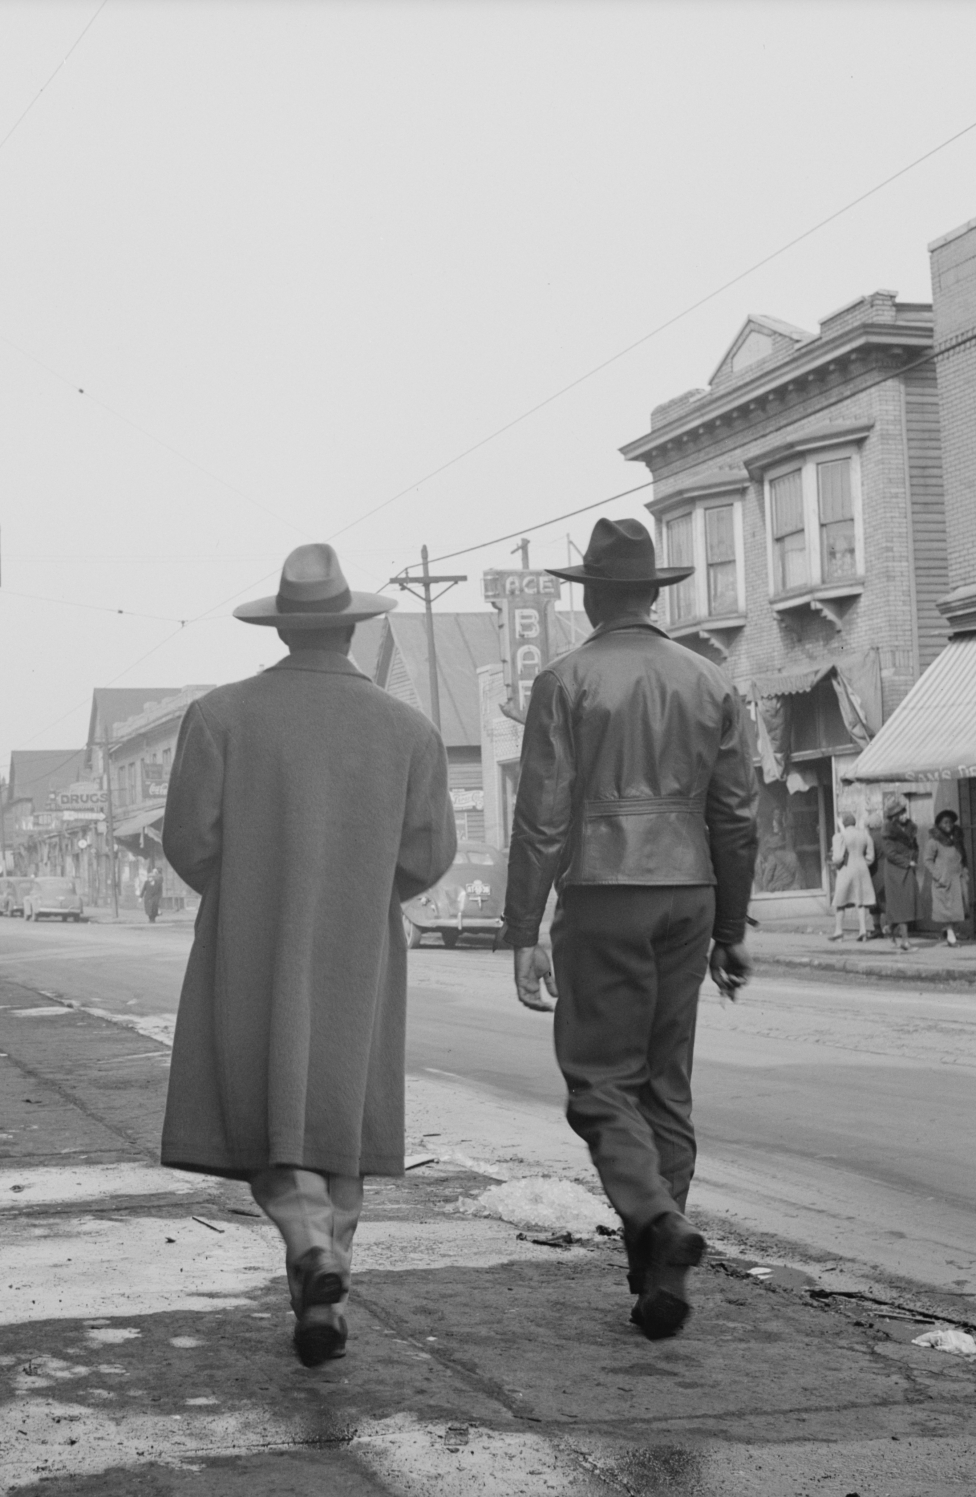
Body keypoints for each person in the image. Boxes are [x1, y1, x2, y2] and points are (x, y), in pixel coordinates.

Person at [159, 543, 456, 1367]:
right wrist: (362, 886)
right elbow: (428, 853)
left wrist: (248, 881)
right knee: (340, 1118)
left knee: (261, 1109)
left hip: (249, 932)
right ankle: (327, 1292)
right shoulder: (410, 729)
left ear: (284, 629)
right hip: (360, 939)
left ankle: (309, 1245)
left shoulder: (220, 714)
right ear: (353, 628)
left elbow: (189, 838)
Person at [502, 518, 757, 1342]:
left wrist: (522, 927)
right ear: (653, 593)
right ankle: (654, 1276)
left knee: (600, 1080)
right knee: (665, 1084)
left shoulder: (565, 680)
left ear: (591, 599)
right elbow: (738, 814)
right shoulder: (711, 680)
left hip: (606, 888)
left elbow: (542, 817)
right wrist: (730, 924)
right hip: (690, 888)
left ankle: (653, 1216)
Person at [881, 795, 921, 951]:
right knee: (902, 906)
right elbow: (890, 854)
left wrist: (914, 858)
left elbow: (915, 846)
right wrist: (906, 862)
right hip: (894, 871)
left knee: (907, 903)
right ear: (894, 817)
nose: (905, 816)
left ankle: (890, 928)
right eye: (901, 814)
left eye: (905, 812)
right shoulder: (888, 832)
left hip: (907, 869)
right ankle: (905, 941)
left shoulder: (910, 829)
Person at [924, 809, 968, 948]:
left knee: (957, 909)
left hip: (958, 879)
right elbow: (927, 860)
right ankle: (950, 936)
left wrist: (965, 872)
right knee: (947, 909)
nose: (948, 825)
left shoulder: (956, 839)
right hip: (944, 880)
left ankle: (950, 932)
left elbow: (963, 857)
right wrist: (939, 875)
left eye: (950, 822)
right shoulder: (934, 841)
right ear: (939, 824)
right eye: (945, 822)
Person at [829, 813, 875, 942]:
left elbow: (838, 858)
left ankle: (838, 931)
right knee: (860, 900)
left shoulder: (840, 836)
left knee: (840, 901)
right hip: (861, 869)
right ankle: (863, 931)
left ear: (843, 823)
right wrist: (862, 863)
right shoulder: (865, 835)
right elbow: (871, 857)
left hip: (846, 869)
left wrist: (835, 862)